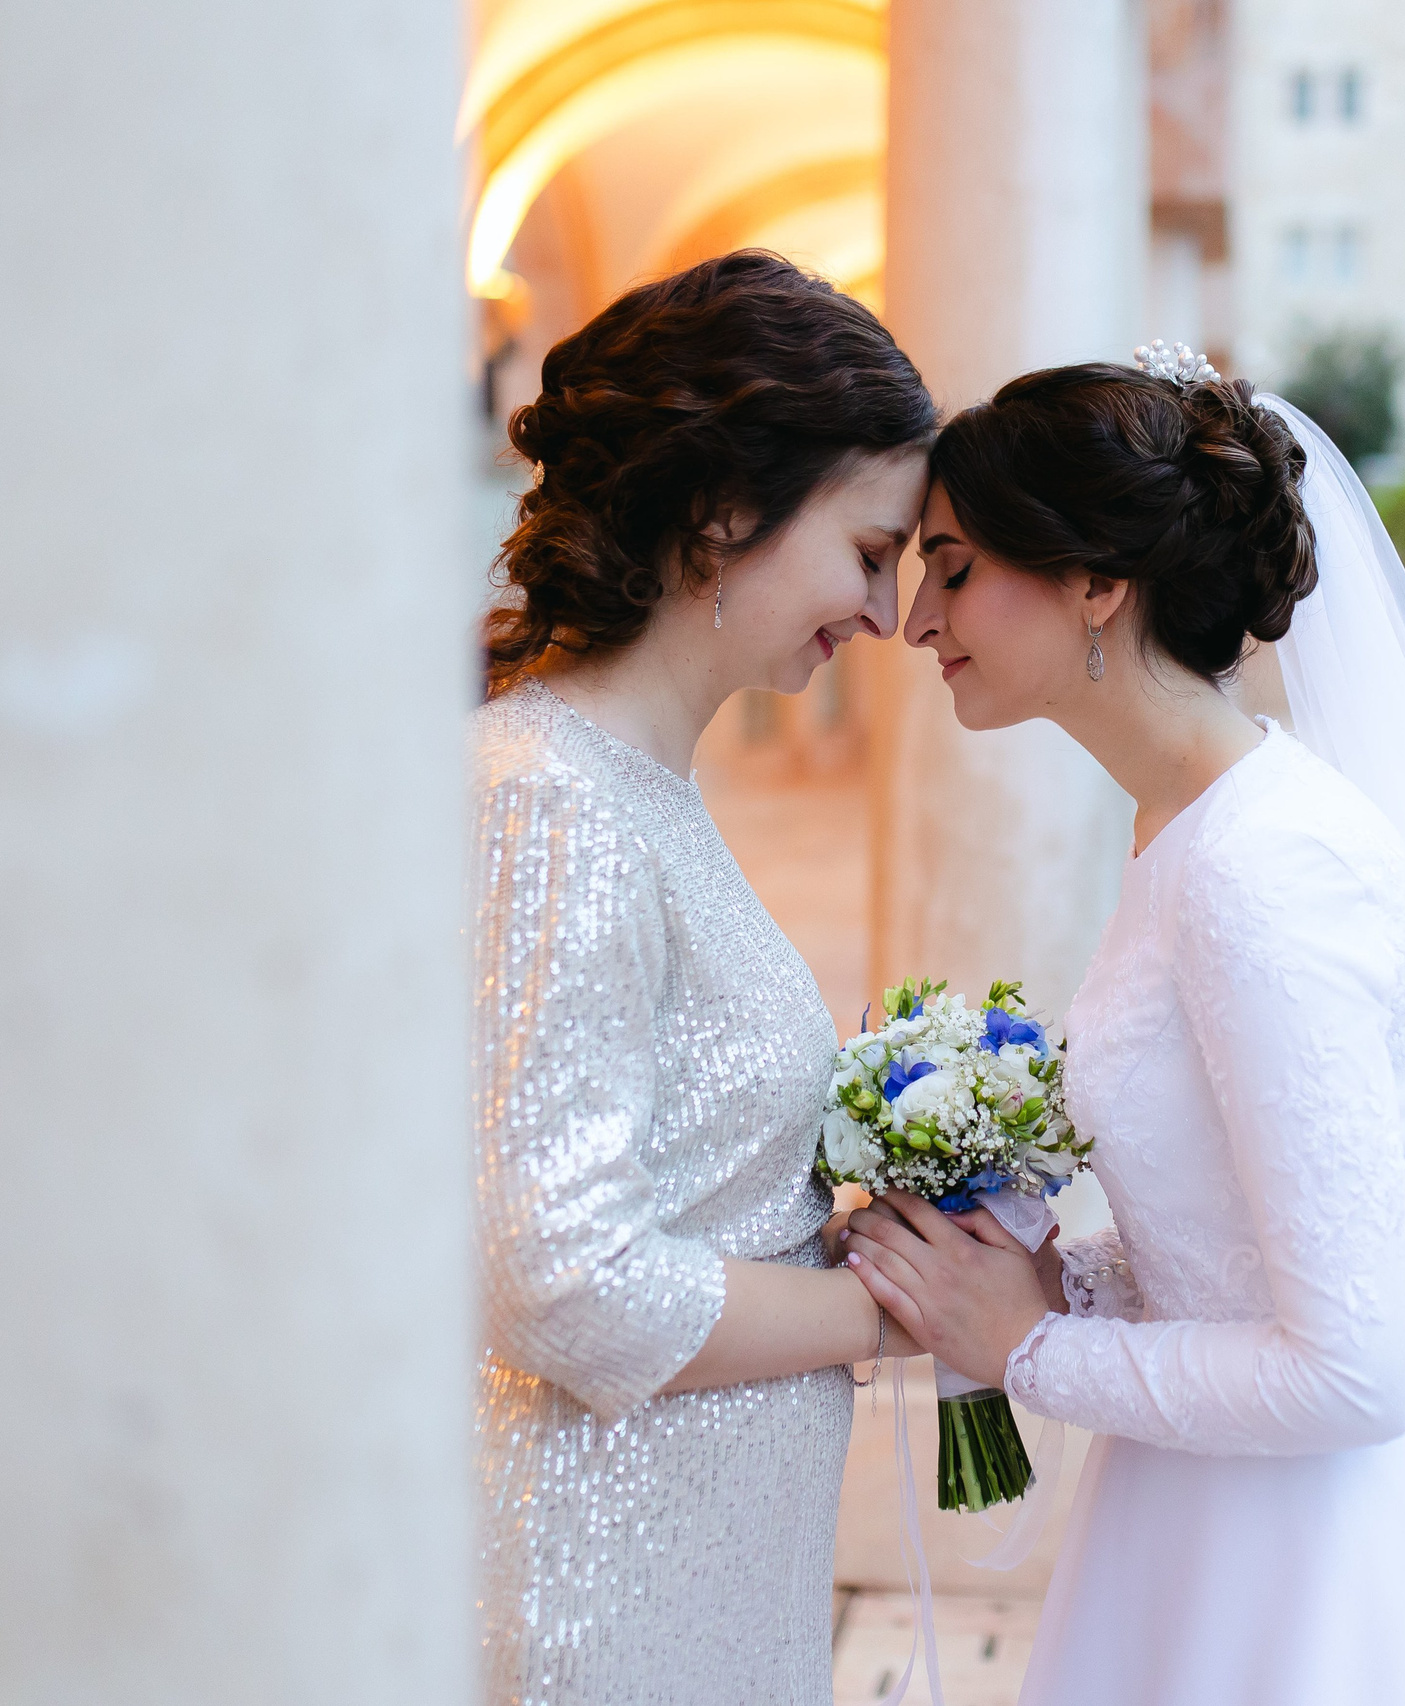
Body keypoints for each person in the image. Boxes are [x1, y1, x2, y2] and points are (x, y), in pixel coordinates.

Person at [843, 352, 1405, 1704]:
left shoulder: (1263, 867)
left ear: (1095, 580)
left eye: (953, 568)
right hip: (1221, 1507)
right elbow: (1251, 1239)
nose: (914, 619)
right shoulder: (1192, 826)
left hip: (1319, 1556)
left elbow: (1359, 1368)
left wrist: (1028, 1345)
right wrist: (1049, 1273)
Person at [474, 252, 934, 1706]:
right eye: (869, 550)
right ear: (727, 512)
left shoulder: (639, 790)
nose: (883, 610)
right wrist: (889, 1306)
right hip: (603, 1584)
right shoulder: (554, 803)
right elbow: (561, 1277)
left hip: (696, 1553)